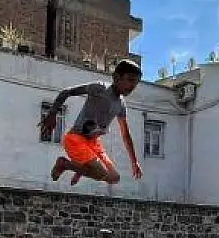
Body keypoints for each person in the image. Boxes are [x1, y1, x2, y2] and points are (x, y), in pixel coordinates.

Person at [40, 59, 144, 187]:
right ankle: (64, 164)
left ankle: (80, 168)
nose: (133, 86)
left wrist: (134, 161)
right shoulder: (99, 88)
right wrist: (52, 114)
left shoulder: (121, 104)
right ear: (116, 77)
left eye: (136, 83)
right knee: (100, 172)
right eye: (130, 80)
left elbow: (125, 135)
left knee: (114, 177)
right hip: (76, 139)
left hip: (93, 143)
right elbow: (66, 92)